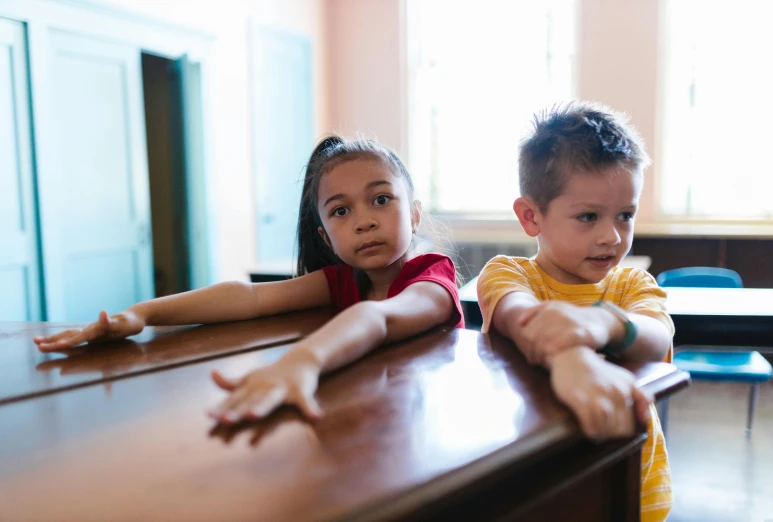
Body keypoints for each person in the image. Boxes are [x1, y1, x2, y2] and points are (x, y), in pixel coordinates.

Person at [35, 136, 464, 423]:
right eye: (340, 210)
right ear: (325, 237)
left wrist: (302, 361)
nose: (364, 221)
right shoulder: (341, 280)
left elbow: (378, 319)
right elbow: (249, 299)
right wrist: (143, 313)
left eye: (381, 199)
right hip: (358, 412)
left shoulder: (431, 279)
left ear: (413, 213)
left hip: (417, 427)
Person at [477, 101, 674, 522]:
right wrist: (573, 353)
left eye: (626, 215)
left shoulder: (631, 285)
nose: (612, 236)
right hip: (549, 482)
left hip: (634, 480)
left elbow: (658, 339)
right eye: (588, 217)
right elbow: (520, 316)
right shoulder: (509, 275)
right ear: (531, 216)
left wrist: (605, 321)